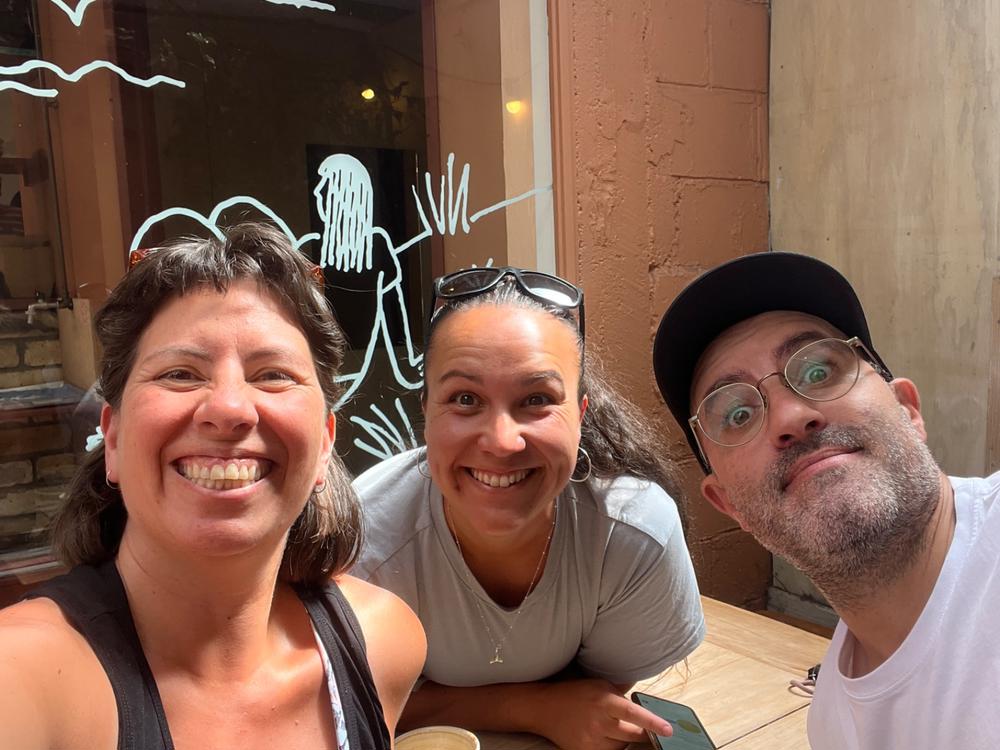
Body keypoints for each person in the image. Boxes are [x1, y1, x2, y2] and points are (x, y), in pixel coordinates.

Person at [0, 223, 425, 750]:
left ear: (323, 444)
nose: (228, 408)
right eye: (180, 374)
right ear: (113, 439)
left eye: (273, 374)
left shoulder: (385, 643)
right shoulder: (24, 680)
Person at [652, 251, 1000, 750]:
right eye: (737, 414)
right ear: (728, 505)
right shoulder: (832, 722)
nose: (791, 417)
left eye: (818, 371)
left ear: (907, 409)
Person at [353, 267, 705, 750]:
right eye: (465, 399)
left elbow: (596, 699)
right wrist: (531, 707)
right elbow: (356, 705)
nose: (502, 442)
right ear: (427, 412)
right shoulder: (365, 541)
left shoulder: (632, 532)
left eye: (536, 399)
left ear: (580, 416)